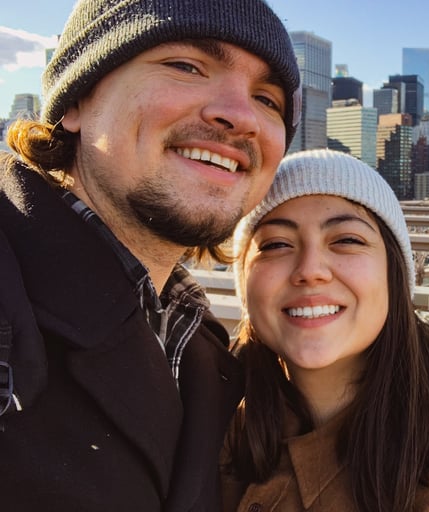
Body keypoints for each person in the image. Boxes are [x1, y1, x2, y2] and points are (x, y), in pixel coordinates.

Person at [0, 0, 300, 510]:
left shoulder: (202, 351)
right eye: (186, 66)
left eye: (268, 99)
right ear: (75, 101)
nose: (241, 115)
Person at [220, 149, 429, 512]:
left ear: (394, 276)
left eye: (346, 240)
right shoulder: (203, 428)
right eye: (276, 244)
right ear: (244, 283)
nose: (310, 269)